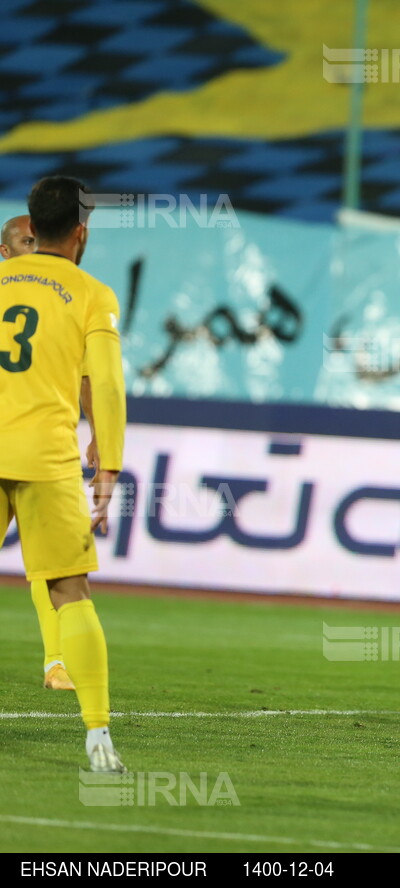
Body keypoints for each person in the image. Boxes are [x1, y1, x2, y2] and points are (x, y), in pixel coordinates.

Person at [0, 177, 127, 771]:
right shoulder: (92, 293)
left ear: (30, 222)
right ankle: (98, 736)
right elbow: (104, 383)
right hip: (49, 461)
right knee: (70, 591)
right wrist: (112, 462)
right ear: (80, 232)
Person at [1, 213, 97, 693]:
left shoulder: (68, 304)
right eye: (24, 241)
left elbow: (87, 376)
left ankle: (56, 662)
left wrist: (100, 431)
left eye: (38, 240)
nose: (33, 247)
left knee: (52, 568)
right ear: (5, 251)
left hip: (42, 453)